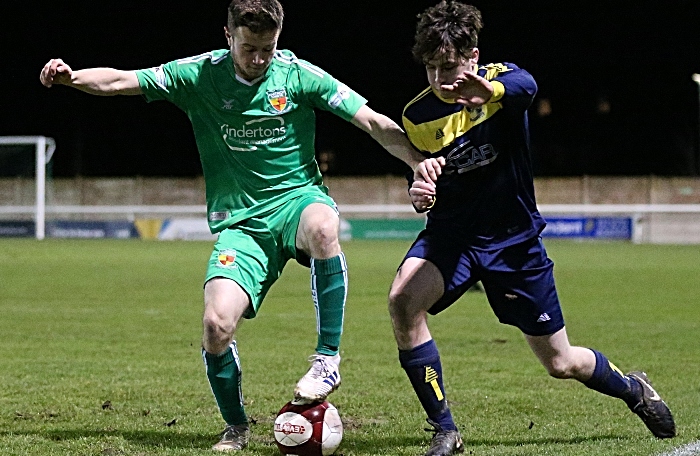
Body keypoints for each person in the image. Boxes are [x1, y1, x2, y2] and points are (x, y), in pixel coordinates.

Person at [40, 0, 441, 451]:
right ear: (228, 36)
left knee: (325, 226)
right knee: (216, 325)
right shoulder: (198, 75)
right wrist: (72, 78)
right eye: (249, 48)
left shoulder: (298, 75)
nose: (258, 59)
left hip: (296, 202)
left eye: (267, 48)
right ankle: (236, 426)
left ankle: (327, 359)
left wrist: (417, 162)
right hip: (241, 225)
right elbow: (120, 80)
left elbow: (371, 121)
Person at [388, 2, 676, 455]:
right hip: (453, 237)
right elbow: (423, 173)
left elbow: (528, 86)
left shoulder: (504, 80)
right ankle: (445, 428)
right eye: (430, 68)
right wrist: (419, 191)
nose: (441, 80)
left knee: (561, 363)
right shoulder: (418, 116)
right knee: (404, 301)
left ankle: (633, 388)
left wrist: (491, 91)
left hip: (513, 242)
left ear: (473, 57)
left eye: (449, 67)